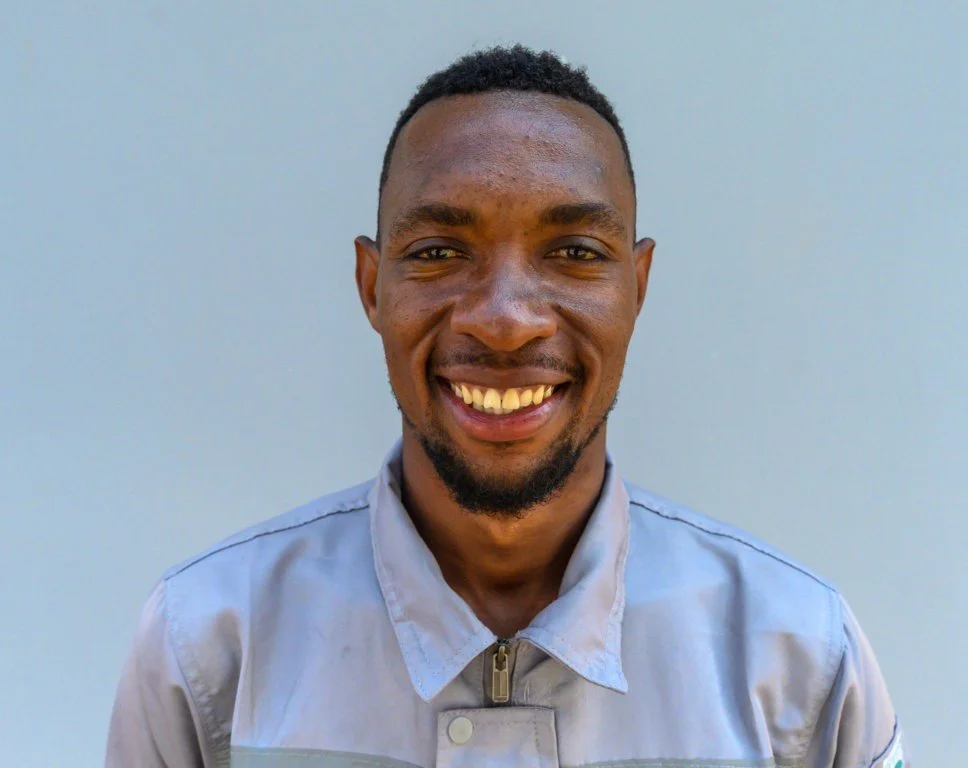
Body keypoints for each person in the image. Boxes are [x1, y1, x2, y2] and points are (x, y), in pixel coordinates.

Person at [106, 45, 907, 768]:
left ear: (637, 288)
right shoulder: (210, 647)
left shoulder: (800, 662)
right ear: (371, 288)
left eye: (574, 253)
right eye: (439, 252)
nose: (505, 319)